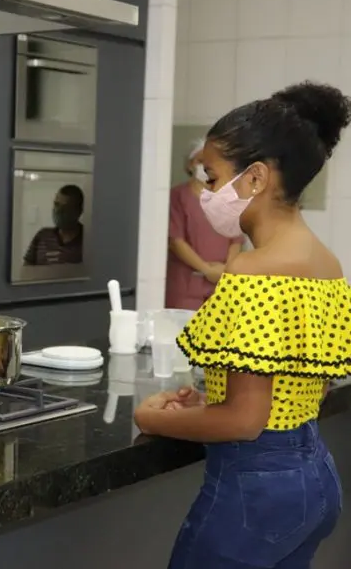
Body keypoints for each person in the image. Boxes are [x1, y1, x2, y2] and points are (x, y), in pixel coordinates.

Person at [134, 81, 351, 568]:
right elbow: (294, 392)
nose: (206, 192)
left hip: (257, 490)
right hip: (314, 476)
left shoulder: (254, 272)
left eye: (212, 178)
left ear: (255, 179)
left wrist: (154, 418)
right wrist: (215, 397)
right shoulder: (326, 263)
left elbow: (245, 421)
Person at [165, 138, 243, 310]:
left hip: (221, 285)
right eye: (200, 161)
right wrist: (206, 270)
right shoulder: (177, 196)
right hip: (187, 284)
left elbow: (236, 239)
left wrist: (226, 270)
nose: (206, 167)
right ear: (189, 165)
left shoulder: (228, 198)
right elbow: (176, 241)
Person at [24, 184, 84, 266]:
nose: (58, 211)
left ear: (78, 211)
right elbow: (25, 271)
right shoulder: (42, 235)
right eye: (56, 204)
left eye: (65, 207)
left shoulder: (88, 240)